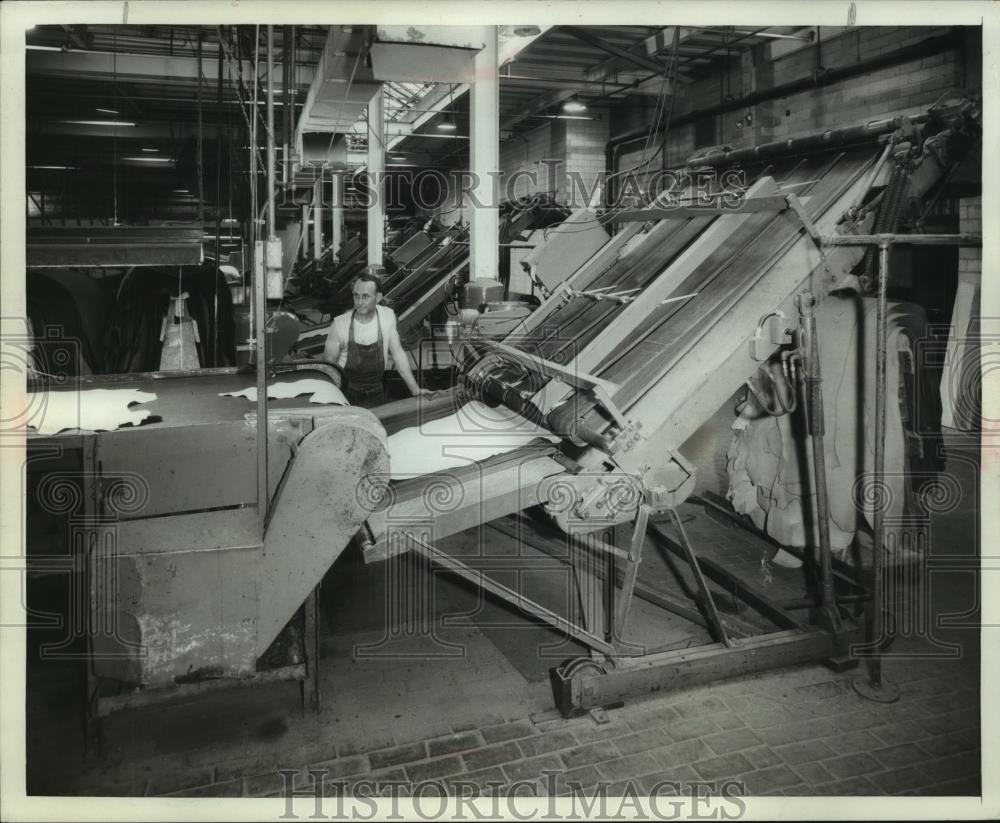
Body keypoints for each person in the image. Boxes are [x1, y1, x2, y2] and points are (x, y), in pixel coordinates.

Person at [323, 265, 430, 408]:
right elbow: (328, 367)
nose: (359, 302)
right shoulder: (340, 325)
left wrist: (414, 388)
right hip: (346, 395)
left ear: (378, 297)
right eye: (356, 295)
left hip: (376, 392)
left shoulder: (387, 317)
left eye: (365, 296)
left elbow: (398, 354)